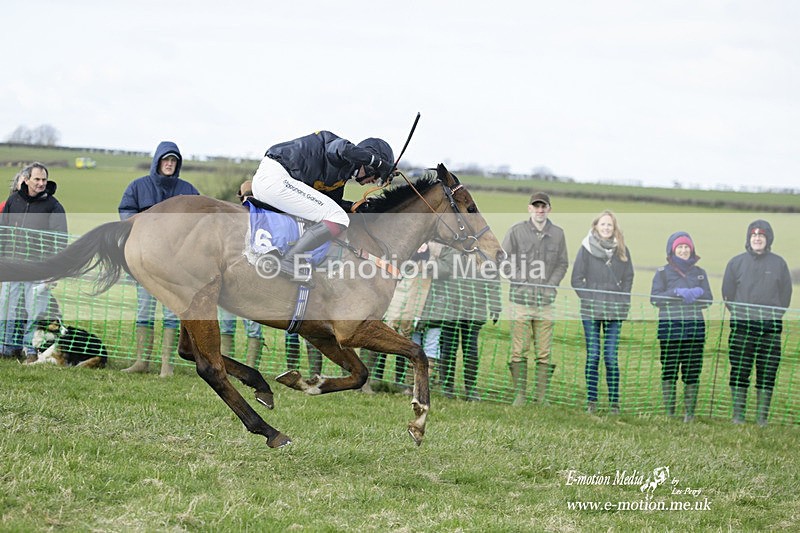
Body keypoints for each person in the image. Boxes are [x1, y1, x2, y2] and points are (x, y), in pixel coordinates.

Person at [251, 131, 394, 282]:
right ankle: (289, 260)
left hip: (274, 183)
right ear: (370, 166)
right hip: (276, 179)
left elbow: (327, 205)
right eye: (377, 175)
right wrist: (380, 163)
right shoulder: (337, 148)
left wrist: (354, 206)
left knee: (337, 215)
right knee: (339, 218)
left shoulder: (342, 176)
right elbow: (345, 150)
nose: (374, 181)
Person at [118, 141, 200, 376]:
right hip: (144, 263)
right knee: (144, 310)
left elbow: (200, 219)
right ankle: (142, 361)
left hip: (175, 266)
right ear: (157, 161)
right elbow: (126, 213)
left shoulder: (188, 189)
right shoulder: (137, 187)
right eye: (166, 160)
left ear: (178, 164)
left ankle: (167, 365)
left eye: (174, 161)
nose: (170, 164)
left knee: (172, 313)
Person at [722, 220, 792, 426]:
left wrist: (774, 316)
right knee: (740, 370)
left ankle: (762, 418)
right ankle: (738, 416)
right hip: (742, 328)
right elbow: (728, 293)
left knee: (767, 371)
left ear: (768, 239)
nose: (757, 239)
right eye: (754, 236)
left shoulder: (779, 264)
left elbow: (786, 295)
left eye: (761, 236)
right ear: (748, 238)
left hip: (770, 329)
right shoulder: (736, 263)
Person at [501, 192, 568, 406]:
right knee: (519, 349)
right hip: (520, 301)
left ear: (549, 209)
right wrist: (520, 280)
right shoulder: (516, 231)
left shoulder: (558, 234)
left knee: (544, 352)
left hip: (545, 303)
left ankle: (542, 396)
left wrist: (551, 286)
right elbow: (503, 261)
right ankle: (519, 395)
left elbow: (562, 264)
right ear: (529, 208)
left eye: (543, 206)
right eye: (536, 206)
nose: (540, 210)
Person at [0, 163, 68, 360]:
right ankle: (5, 347)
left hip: (40, 269)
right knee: (7, 306)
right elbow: (2, 233)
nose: (40, 183)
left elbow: (60, 240)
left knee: (35, 310)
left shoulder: (54, 206)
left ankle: (30, 350)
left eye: (44, 180)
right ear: (27, 179)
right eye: (37, 179)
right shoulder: (13, 201)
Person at [571, 210, 634, 415]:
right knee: (593, 355)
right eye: (603, 224)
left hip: (614, 312)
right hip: (591, 311)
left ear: (614, 228)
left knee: (610, 357)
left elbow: (628, 279)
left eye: (610, 225)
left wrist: (623, 303)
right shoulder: (586, 249)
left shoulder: (622, 251)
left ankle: (614, 403)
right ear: (595, 227)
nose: (606, 228)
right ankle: (592, 401)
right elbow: (576, 279)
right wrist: (590, 299)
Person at [650, 232, 713, 422]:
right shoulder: (662, 273)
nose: (684, 250)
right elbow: (655, 298)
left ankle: (689, 414)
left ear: (692, 249)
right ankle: (670, 413)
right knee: (669, 369)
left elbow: (708, 299)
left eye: (687, 247)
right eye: (680, 247)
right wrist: (676, 292)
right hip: (670, 329)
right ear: (672, 250)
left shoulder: (700, 273)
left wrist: (699, 292)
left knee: (692, 370)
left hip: (695, 331)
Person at [438, 245, 502, 401]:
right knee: (448, 349)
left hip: (474, 309)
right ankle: (447, 387)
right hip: (450, 308)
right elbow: (439, 273)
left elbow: (493, 281)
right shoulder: (449, 249)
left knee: (471, 351)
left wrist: (495, 306)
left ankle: (471, 389)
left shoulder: (485, 253)